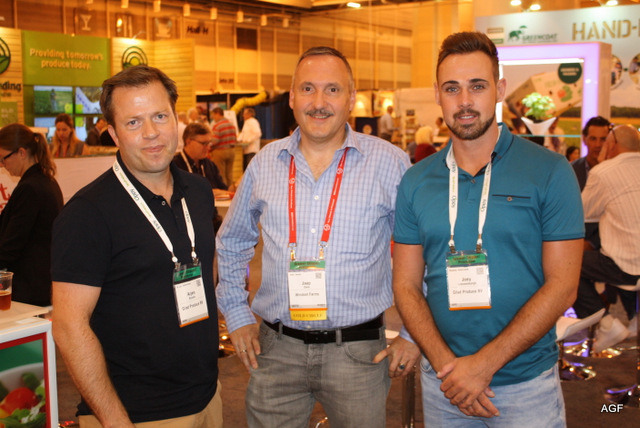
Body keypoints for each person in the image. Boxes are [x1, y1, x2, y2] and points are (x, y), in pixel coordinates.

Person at [216, 46, 420, 427]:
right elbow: (231, 242)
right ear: (292, 98)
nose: (319, 102)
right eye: (307, 89)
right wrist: (237, 314)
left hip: (357, 354)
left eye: (332, 90)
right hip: (276, 351)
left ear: (351, 99)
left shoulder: (389, 163)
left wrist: (413, 334)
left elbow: (422, 253)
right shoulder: (264, 164)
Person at [392, 32, 584, 426]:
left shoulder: (549, 171)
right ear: (438, 94)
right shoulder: (416, 181)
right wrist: (448, 367)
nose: (464, 101)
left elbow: (563, 286)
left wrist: (482, 365)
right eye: (452, 88)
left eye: (477, 86)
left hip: (525, 385)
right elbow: (406, 285)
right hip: (444, 382)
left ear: (499, 89)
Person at [51, 65, 222, 428]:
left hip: (209, 397)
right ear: (113, 133)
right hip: (136, 413)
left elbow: (205, 270)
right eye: (133, 122)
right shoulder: (87, 213)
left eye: (160, 116)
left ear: (176, 119)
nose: (151, 133)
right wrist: (115, 420)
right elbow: (68, 327)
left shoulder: (198, 191)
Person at [572, 124, 640, 350]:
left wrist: (603, 163)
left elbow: (581, 212)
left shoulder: (604, 171)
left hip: (628, 265)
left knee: (568, 264)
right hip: (629, 260)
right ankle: (634, 318)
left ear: (611, 145)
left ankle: (606, 324)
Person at [0, 124, 63, 307]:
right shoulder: (45, 181)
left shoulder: (30, 188)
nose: (3, 165)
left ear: (21, 152)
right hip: (41, 283)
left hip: (30, 289)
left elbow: (12, 245)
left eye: (3, 158)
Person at [173, 122, 229, 199]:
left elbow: (223, 190)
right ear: (188, 142)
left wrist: (235, 186)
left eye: (209, 143)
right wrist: (207, 193)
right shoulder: (175, 166)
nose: (208, 147)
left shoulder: (209, 164)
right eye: (204, 143)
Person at [571, 116, 610, 191]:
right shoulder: (572, 170)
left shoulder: (616, 171)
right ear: (584, 140)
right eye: (593, 139)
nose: (598, 145)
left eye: (603, 139)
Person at [209, 107, 237, 187]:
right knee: (229, 174)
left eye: (213, 115)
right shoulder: (232, 124)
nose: (213, 117)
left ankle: (224, 190)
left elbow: (215, 141)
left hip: (220, 151)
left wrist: (209, 144)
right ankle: (231, 190)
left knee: (221, 174)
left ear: (218, 114)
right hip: (231, 151)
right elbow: (235, 139)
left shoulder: (217, 126)